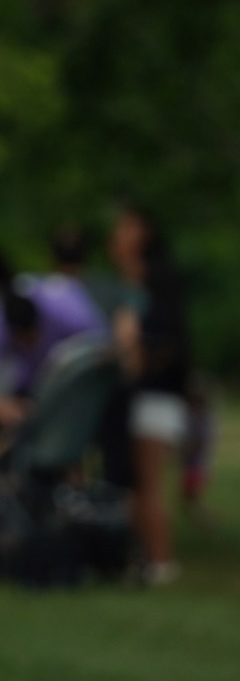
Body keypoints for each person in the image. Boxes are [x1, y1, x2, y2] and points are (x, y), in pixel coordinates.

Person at [108, 203, 192, 586]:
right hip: (148, 396)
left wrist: (131, 348)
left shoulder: (149, 284)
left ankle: (160, 562)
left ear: (143, 234)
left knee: (149, 484)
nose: (115, 236)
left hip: (157, 396)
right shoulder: (138, 284)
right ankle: (145, 559)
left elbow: (151, 346)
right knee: (139, 486)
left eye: (124, 228)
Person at [0, 227, 106, 433]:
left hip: (67, 384)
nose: (26, 344)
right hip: (26, 386)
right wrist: (6, 412)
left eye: (30, 337)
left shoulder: (65, 305)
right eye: (20, 340)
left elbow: (105, 350)